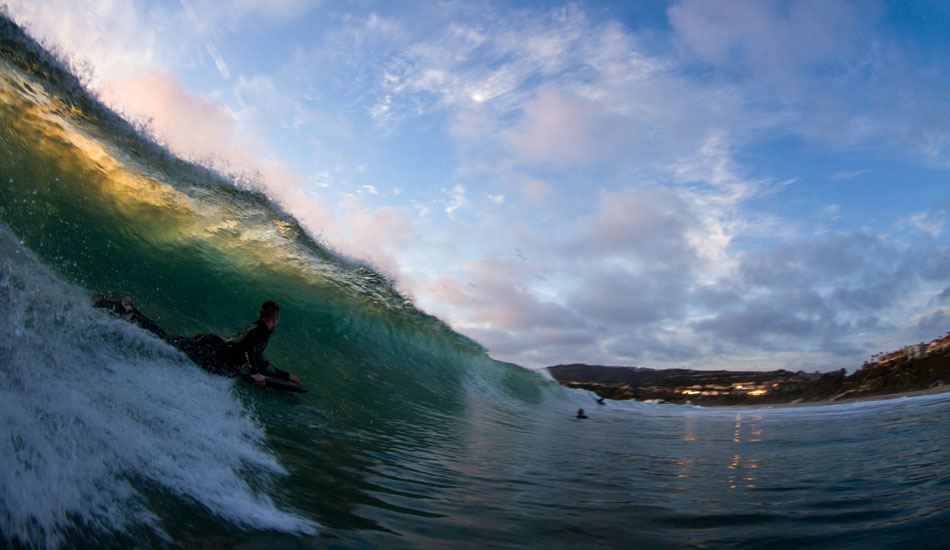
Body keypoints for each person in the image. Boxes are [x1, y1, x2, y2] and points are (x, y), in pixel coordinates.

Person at [166, 300, 299, 386]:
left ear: (261, 314)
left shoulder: (257, 330)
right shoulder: (260, 332)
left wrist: (287, 376)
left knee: (168, 341)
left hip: (213, 345)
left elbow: (263, 364)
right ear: (275, 319)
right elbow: (248, 348)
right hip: (214, 351)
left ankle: (147, 334)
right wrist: (254, 372)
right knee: (166, 342)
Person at [92, 294, 168, 340]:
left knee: (158, 332)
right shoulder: (107, 305)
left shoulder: (107, 304)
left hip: (136, 318)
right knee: (160, 333)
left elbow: (127, 303)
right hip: (137, 319)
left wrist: (127, 316)